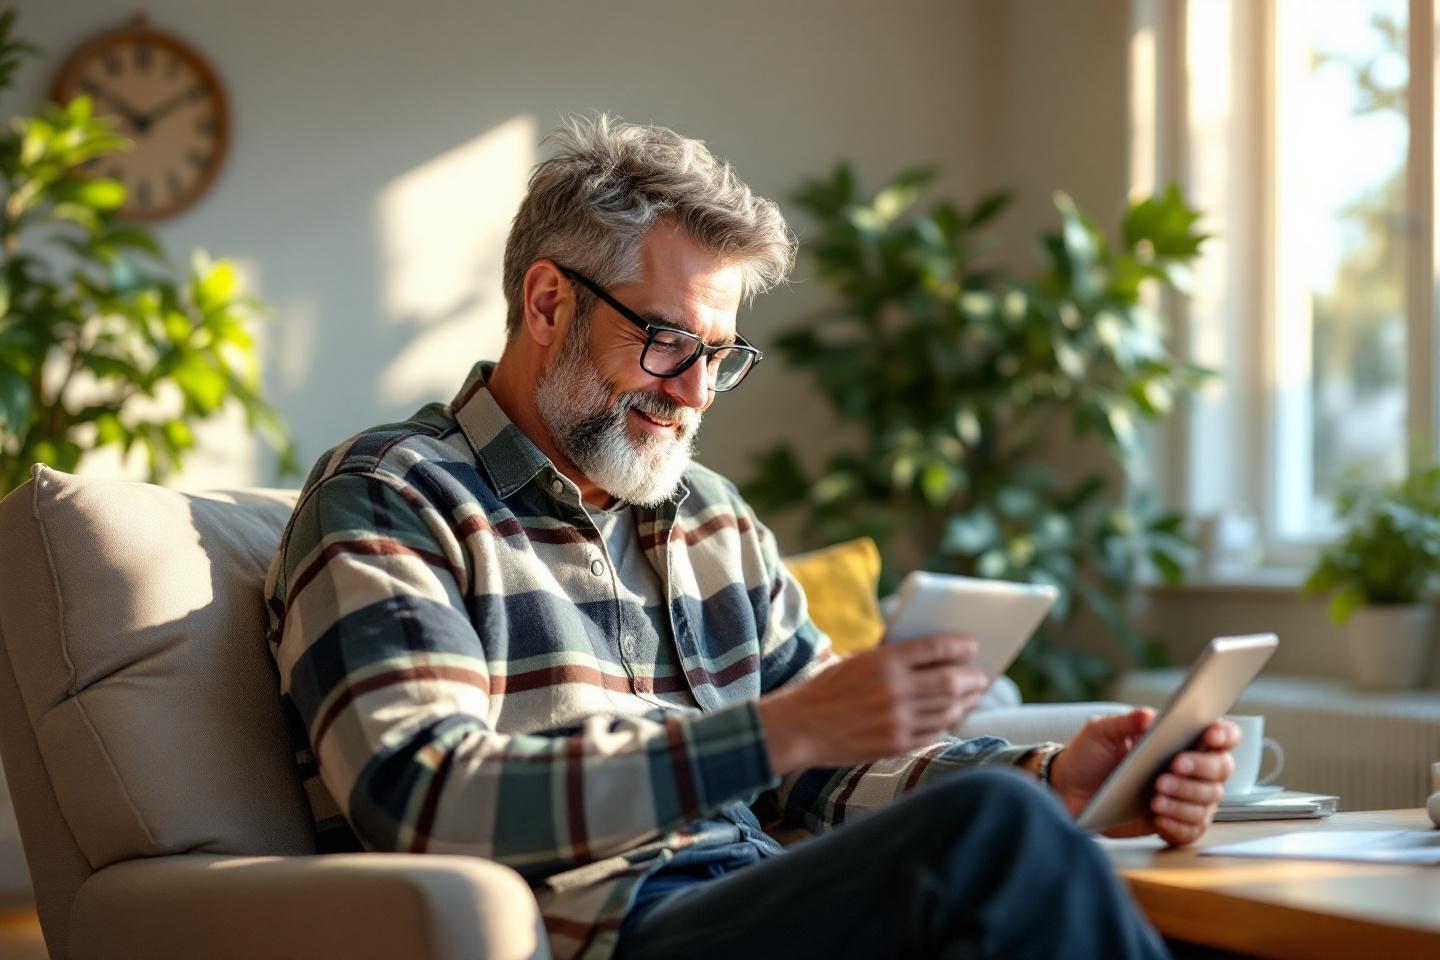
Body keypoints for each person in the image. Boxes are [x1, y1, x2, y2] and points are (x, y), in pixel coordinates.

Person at [264, 115, 1238, 960]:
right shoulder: (395, 498)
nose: (693, 393)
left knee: (1071, 855)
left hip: (761, 897)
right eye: (668, 342)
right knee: (994, 841)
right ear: (548, 303)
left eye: (719, 358)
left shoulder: (711, 519)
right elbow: (419, 797)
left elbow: (824, 764)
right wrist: (776, 732)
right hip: (605, 930)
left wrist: (1058, 776)